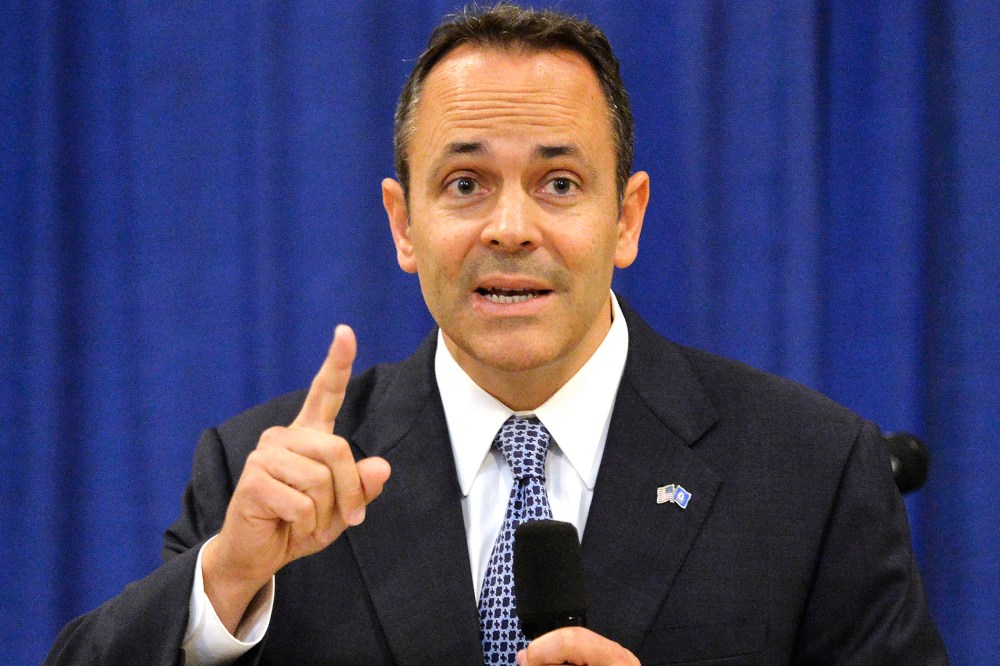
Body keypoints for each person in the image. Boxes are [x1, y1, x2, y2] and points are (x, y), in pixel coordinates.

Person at [47, 4, 947, 664]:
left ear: (626, 218)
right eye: (466, 184)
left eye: (559, 183)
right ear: (403, 225)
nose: (510, 228)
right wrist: (225, 585)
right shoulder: (270, 479)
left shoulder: (814, 470)